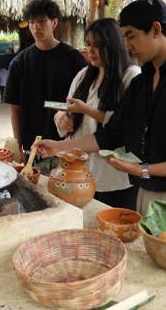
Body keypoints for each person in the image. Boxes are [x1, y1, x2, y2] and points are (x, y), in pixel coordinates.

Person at [37, 0, 166, 218]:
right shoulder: (143, 83)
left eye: (131, 36)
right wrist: (58, 147)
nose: (127, 46)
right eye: (123, 38)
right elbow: (112, 134)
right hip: (147, 189)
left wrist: (143, 170)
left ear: (156, 29)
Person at [54, 18, 141, 210]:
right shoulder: (84, 75)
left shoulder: (131, 76)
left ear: (114, 45)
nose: (90, 51)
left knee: (112, 226)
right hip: (78, 172)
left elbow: (123, 126)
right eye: (88, 44)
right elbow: (65, 107)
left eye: (98, 45)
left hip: (114, 174)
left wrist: (85, 109)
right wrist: (61, 117)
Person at [4, 0, 87, 169]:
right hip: (33, 147)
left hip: (67, 145)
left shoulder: (74, 59)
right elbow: (14, 111)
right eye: (32, 22)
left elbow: (86, 102)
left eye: (42, 21)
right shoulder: (19, 63)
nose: (36, 27)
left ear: (54, 23)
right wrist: (18, 145)